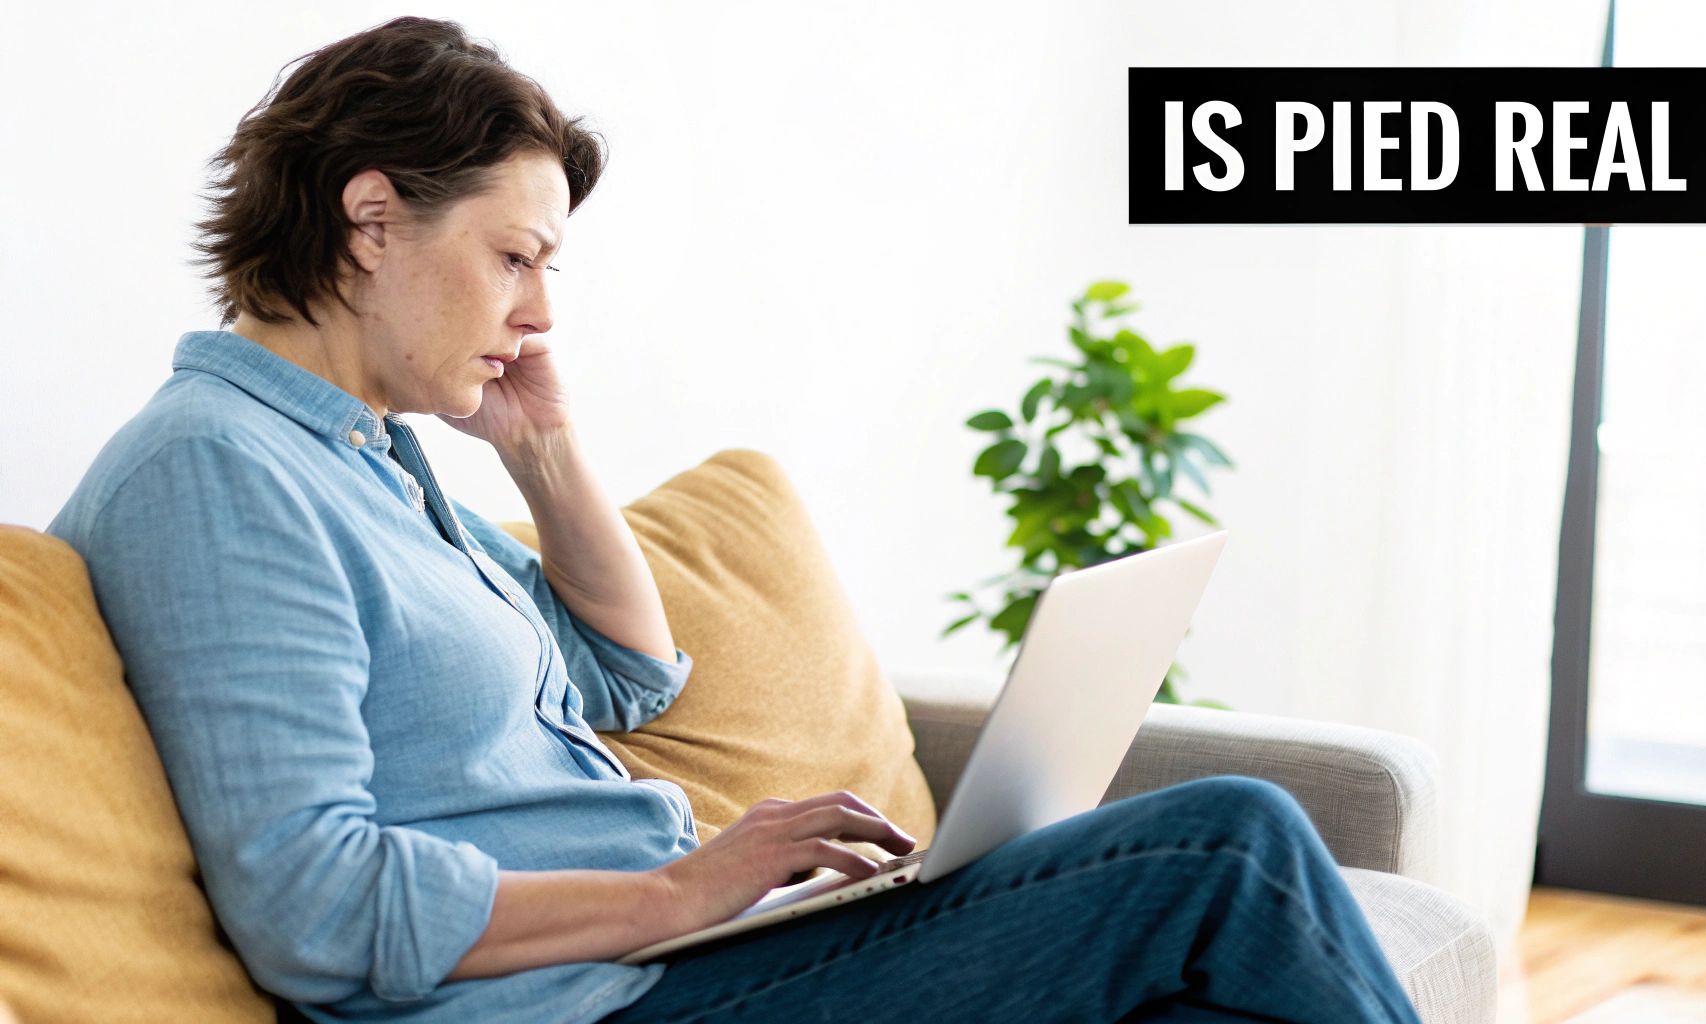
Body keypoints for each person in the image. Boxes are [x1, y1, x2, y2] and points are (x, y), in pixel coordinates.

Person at [45, 16, 1424, 1024]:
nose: (538, 310)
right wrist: (685, 892)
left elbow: (631, 675)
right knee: (1226, 842)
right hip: (605, 1003)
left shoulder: (373, 463)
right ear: (369, 223)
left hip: (676, 962)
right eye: (515, 258)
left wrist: (543, 451)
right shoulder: (217, 473)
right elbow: (313, 910)